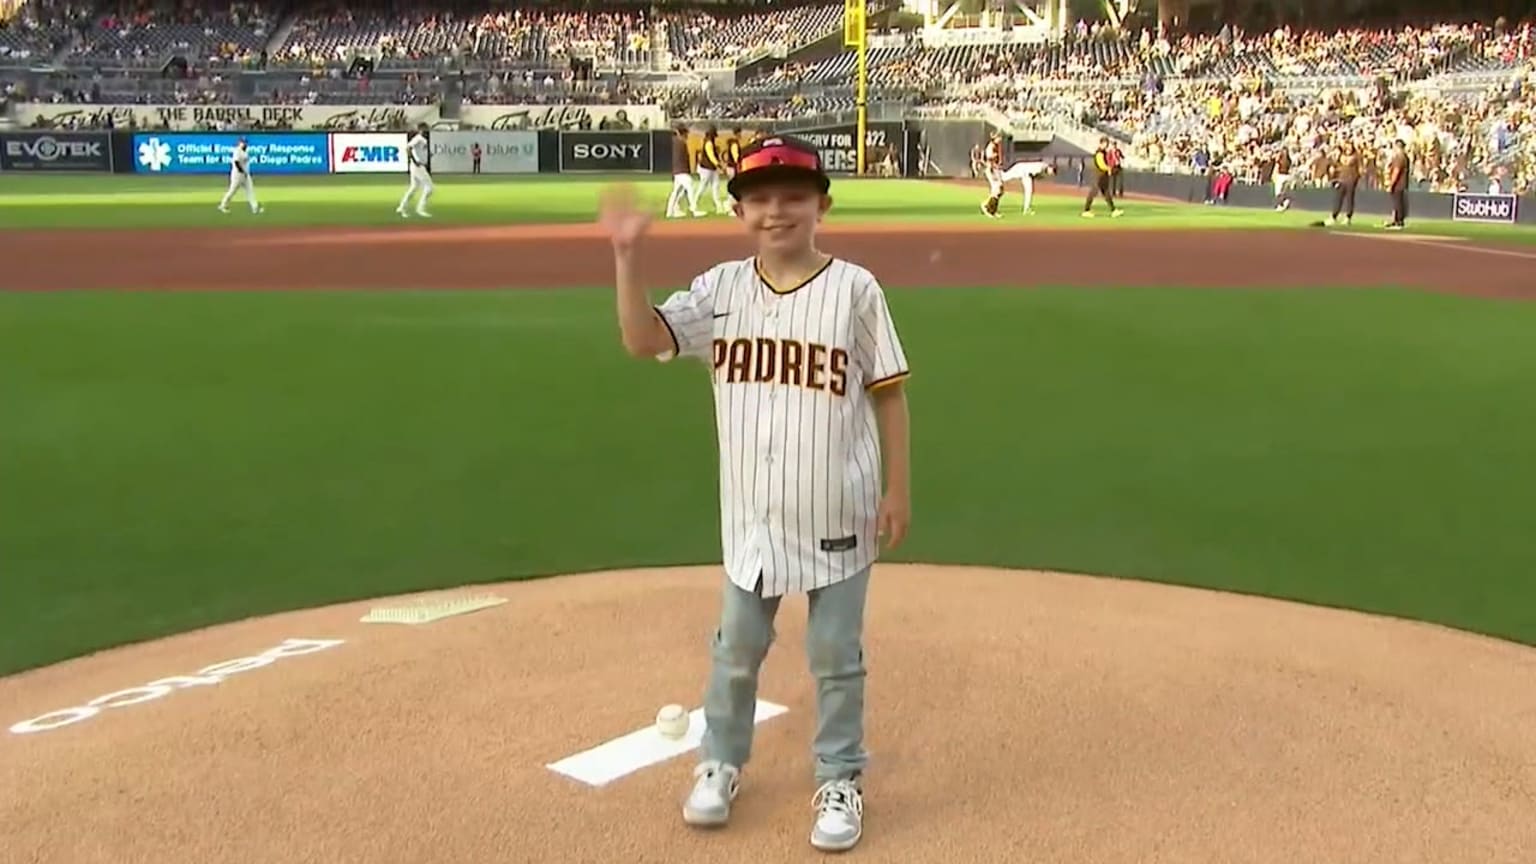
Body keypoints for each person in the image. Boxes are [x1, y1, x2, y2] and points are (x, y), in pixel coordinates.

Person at [597, 135, 913, 854]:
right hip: (751, 519)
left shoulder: (855, 290)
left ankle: (839, 777)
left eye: (793, 198)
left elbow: (888, 395)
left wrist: (899, 488)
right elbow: (643, 340)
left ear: (821, 207)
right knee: (736, 649)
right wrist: (625, 256)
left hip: (838, 508)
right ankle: (721, 761)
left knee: (835, 654)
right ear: (739, 210)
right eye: (761, 199)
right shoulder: (720, 290)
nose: (777, 212)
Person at [665, 124, 705, 218]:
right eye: (686, 134)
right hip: (681, 170)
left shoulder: (675, 142)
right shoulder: (680, 142)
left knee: (676, 192)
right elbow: (683, 158)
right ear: (683, 134)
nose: (687, 136)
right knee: (690, 188)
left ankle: (670, 212)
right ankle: (694, 210)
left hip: (677, 171)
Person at [397, 123, 433, 218]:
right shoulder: (418, 138)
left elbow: (420, 151)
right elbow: (408, 148)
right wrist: (414, 160)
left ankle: (402, 206)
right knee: (429, 187)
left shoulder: (423, 139)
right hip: (418, 166)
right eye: (425, 129)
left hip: (418, 165)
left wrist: (427, 156)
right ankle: (420, 209)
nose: (426, 131)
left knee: (414, 187)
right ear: (420, 129)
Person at [217, 136, 261, 214]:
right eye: (243, 142)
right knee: (232, 191)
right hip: (237, 175)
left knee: (250, 190)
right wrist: (242, 171)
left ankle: (255, 207)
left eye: (245, 142)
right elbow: (236, 163)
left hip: (245, 175)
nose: (244, 144)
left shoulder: (246, 151)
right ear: (239, 142)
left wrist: (245, 173)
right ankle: (223, 205)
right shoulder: (237, 151)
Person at [1083, 136, 1124, 218]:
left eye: (1107, 143)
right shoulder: (1099, 153)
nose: (1107, 145)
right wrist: (1108, 168)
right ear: (1101, 143)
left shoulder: (1103, 152)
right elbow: (1101, 164)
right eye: (1105, 143)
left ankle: (1113, 210)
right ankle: (1086, 210)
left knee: (1106, 193)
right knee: (1094, 192)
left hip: (1102, 175)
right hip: (1099, 175)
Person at [696, 125, 729, 215]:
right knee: (702, 187)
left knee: (715, 187)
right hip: (706, 169)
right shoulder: (709, 143)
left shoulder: (709, 141)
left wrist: (718, 166)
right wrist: (719, 166)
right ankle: (694, 205)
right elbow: (711, 157)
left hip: (711, 169)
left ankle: (719, 207)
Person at [1326, 140, 1360, 226]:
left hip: (1350, 181)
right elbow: (1336, 167)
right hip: (1341, 180)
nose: (1348, 148)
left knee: (1349, 200)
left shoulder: (1356, 157)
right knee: (1338, 199)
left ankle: (1348, 217)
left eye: (1350, 146)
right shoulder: (1340, 156)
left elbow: (1359, 170)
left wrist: (1355, 179)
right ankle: (1334, 216)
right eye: (1346, 146)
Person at [979, 132, 1006, 218]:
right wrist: (992, 172)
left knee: (1000, 190)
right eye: (999, 137)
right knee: (997, 190)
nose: (1000, 139)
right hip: (992, 169)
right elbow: (989, 160)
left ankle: (992, 209)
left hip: (997, 169)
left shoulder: (997, 146)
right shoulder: (991, 147)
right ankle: (987, 208)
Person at [1385, 139, 1410, 230]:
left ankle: (1398, 221)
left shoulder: (1399, 157)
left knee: (1397, 203)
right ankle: (1397, 220)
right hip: (1402, 183)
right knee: (1399, 202)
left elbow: (1396, 171)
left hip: (1399, 184)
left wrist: (1391, 184)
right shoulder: (1405, 157)